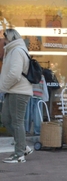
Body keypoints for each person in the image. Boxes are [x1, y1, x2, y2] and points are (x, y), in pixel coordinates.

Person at [0, 29, 34, 163]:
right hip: (12, 91)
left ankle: (19, 154)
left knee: (17, 121)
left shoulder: (17, 51)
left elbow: (14, 74)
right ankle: (23, 146)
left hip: (19, 92)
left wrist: (3, 87)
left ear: (10, 38)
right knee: (6, 119)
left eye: (4, 38)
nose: (3, 41)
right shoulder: (13, 51)